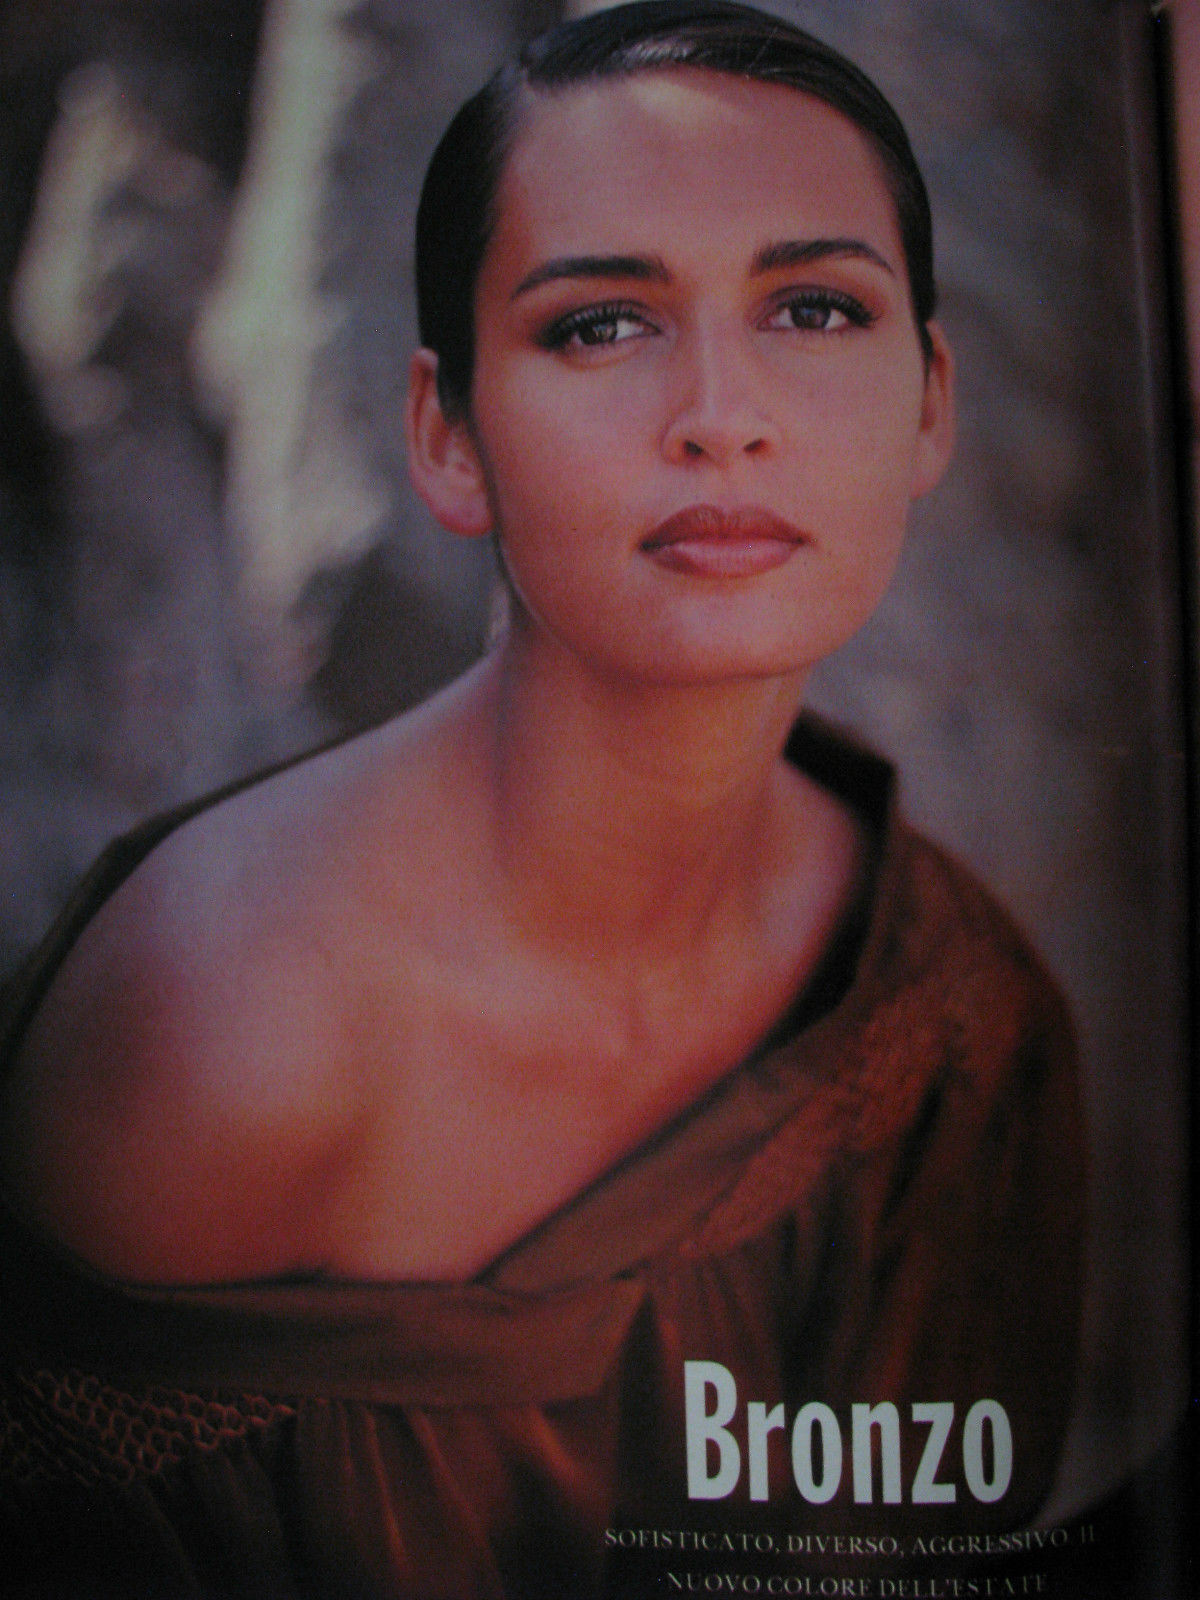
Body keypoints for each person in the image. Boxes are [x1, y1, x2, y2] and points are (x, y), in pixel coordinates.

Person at [0, 4, 1084, 1596]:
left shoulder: (959, 1030)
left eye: (812, 308)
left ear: (930, 403)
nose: (721, 413)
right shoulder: (216, 1028)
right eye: (600, 326)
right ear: (446, 437)